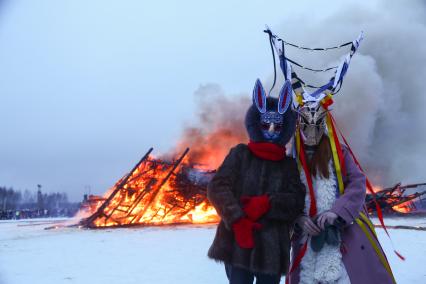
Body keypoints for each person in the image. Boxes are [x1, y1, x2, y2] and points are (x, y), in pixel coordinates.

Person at [207, 79, 306, 284]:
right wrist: (237, 219)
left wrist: (268, 203)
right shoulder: (240, 155)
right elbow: (217, 187)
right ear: (256, 125)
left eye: (277, 126)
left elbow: (296, 200)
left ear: (285, 127)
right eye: (265, 124)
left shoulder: (288, 165)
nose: (270, 130)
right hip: (237, 244)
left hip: (272, 252)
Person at [288, 101, 395, 284]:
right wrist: (297, 219)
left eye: (317, 125)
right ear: (299, 125)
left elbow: (357, 182)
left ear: (325, 125)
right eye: (306, 125)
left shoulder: (339, 154)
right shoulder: (291, 159)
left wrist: (337, 212)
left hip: (340, 236)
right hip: (306, 240)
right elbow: (283, 194)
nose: (312, 132)